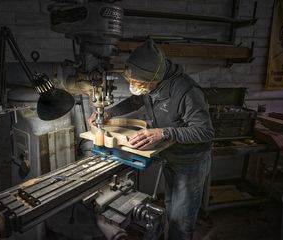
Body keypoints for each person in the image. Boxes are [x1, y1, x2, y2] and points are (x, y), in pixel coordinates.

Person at [88, 39, 214, 240]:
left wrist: (163, 133)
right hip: (170, 154)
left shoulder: (187, 92)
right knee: (172, 207)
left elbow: (205, 132)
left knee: (182, 220)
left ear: (156, 77)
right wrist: (109, 113)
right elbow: (136, 99)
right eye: (132, 82)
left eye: (139, 83)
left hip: (190, 161)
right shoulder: (150, 86)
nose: (134, 87)